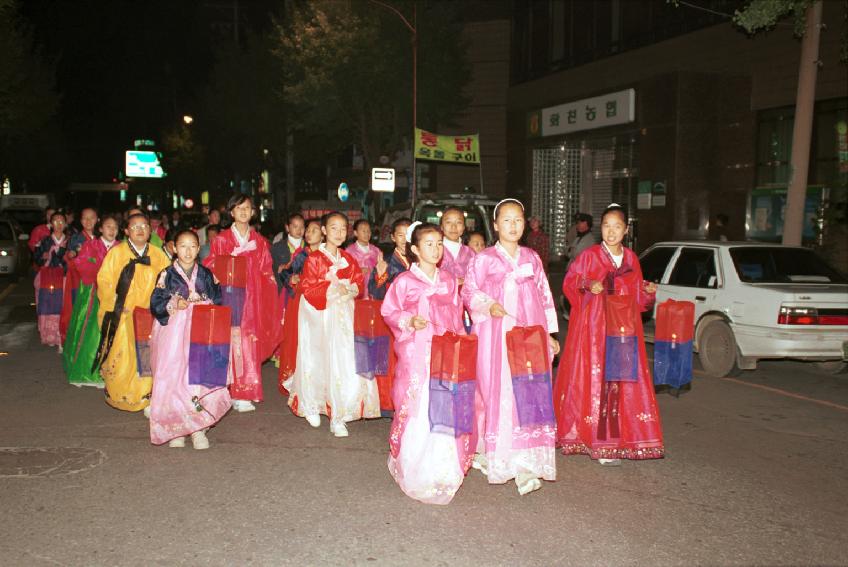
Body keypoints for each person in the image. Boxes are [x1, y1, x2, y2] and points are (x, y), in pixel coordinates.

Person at [461, 198, 560, 495]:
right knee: (499, 392)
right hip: (497, 338)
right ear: (495, 225)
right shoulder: (485, 259)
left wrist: (550, 335)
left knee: (529, 391)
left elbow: (544, 297)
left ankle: (527, 461)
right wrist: (488, 305)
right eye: (506, 220)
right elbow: (469, 291)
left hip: (529, 336)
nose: (513, 225)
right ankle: (503, 458)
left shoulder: (531, 258)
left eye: (518, 219)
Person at [553, 203, 663, 465]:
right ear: (600, 228)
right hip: (595, 329)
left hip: (623, 328)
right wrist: (588, 285)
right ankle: (602, 441)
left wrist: (647, 293)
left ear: (625, 230)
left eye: (616, 227)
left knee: (620, 382)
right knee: (599, 382)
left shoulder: (632, 260)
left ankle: (621, 437)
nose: (611, 232)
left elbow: (637, 300)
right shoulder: (590, 256)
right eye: (606, 226)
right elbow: (570, 283)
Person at [381, 222, 472, 504]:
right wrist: (409, 320)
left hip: (445, 351)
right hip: (417, 353)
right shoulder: (405, 282)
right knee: (420, 406)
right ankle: (415, 466)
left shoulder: (447, 280)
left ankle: (444, 466)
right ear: (415, 250)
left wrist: (460, 341)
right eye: (429, 244)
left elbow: (457, 314)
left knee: (445, 403)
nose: (436, 249)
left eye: (439, 243)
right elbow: (389, 311)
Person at [282, 212, 380, 437]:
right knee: (318, 359)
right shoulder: (315, 258)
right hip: (319, 317)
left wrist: (349, 288)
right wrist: (335, 287)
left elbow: (358, 283)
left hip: (344, 316)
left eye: (343, 229)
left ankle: (339, 414)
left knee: (343, 360)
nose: (338, 233)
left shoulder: (348, 258)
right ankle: (313, 403)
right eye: (333, 228)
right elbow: (309, 288)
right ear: (324, 231)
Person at [149, 230, 231, 449]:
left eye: (193, 246)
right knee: (174, 378)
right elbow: (156, 302)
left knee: (199, 379)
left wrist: (201, 303)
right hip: (174, 335)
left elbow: (217, 299)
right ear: (174, 248)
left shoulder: (206, 273)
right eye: (183, 246)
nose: (188, 251)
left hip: (201, 332)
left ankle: (197, 428)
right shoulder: (166, 274)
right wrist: (175, 302)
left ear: (198, 248)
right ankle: (177, 428)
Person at [202, 194, 279, 413]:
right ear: (231, 212)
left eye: (247, 208)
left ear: (253, 212)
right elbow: (210, 266)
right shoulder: (222, 240)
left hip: (253, 300)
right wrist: (230, 259)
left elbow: (267, 270)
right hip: (230, 297)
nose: (244, 212)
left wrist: (268, 290)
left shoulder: (260, 242)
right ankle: (231, 389)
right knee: (232, 341)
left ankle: (245, 390)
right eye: (239, 208)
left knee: (249, 342)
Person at [95, 212, 170, 412]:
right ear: (127, 231)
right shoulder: (117, 253)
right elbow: (104, 282)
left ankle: (146, 398)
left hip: (148, 316)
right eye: (135, 227)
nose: (140, 230)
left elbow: (167, 282)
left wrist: (158, 306)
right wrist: (118, 304)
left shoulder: (158, 254)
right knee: (123, 359)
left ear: (150, 230)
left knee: (146, 356)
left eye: (144, 226)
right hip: (123, 315)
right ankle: (123, 395)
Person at [63, 214, 119, 387]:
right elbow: (82, 264)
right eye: (108, 226)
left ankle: (112, 372)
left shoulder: (120, 247)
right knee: (92, 332)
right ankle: (88, 371)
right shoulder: (91, 245)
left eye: (115, 227)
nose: (112, 230)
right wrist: (100, 275)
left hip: (116, 295)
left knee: (113, 333)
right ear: (100, 228)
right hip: (94, 293)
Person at [277, 217, 322, 387]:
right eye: (308, 230)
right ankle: (302, 381)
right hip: (303, 304)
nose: (308, 234)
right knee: (302, 341)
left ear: (323, 234)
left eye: (313, 230)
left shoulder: (328, 254)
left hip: (324, 304)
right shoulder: (303, 254)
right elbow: (285, 273)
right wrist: (291, 279)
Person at [60, 207, 99, 342]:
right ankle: (79, 341)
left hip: (99, 282)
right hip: (81, 282)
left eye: (92, 217)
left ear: (97, 219)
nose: (88, 221)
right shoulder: (76, 238)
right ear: (81, 221)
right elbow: (70, 259)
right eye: (85, 218)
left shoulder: (101, 237)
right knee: (80, 312)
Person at [34, 211, 69, 349]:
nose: (59, 224)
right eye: (55, 221)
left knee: (63, 306)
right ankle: (49, 335)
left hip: (65, 278)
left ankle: (62, 337)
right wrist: (44, 256)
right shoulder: (45, 241)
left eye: (61, 221)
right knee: (47, 306)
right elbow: (37, 258)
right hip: (48, 278)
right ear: (51, 224)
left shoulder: (70, 241)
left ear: (65, 224)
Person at [368, 217, 412, 300]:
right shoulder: (386, 262)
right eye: (400, 235)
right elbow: (375, 294)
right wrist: (380, 277)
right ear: (393, 237)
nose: (405, 240)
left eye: (408, 235)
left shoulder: (421, 260)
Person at [345, 219, 382, 299]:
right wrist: (358, 271)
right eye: (363, 231)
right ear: (356, 233)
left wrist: (376, 271)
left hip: (373, 290)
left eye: (368, 231)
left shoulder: (376, 251)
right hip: (356, 292)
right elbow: (344, 272)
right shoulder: (349, 251)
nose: (367, 234)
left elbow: (382, 271)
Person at [439, 207, 475, 285]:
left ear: (464, 227)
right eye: (448, 222)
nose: (453, 227)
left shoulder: (471, 253)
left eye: (458, 222)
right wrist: (453, 282)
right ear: (441, 227)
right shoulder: (435, 250)